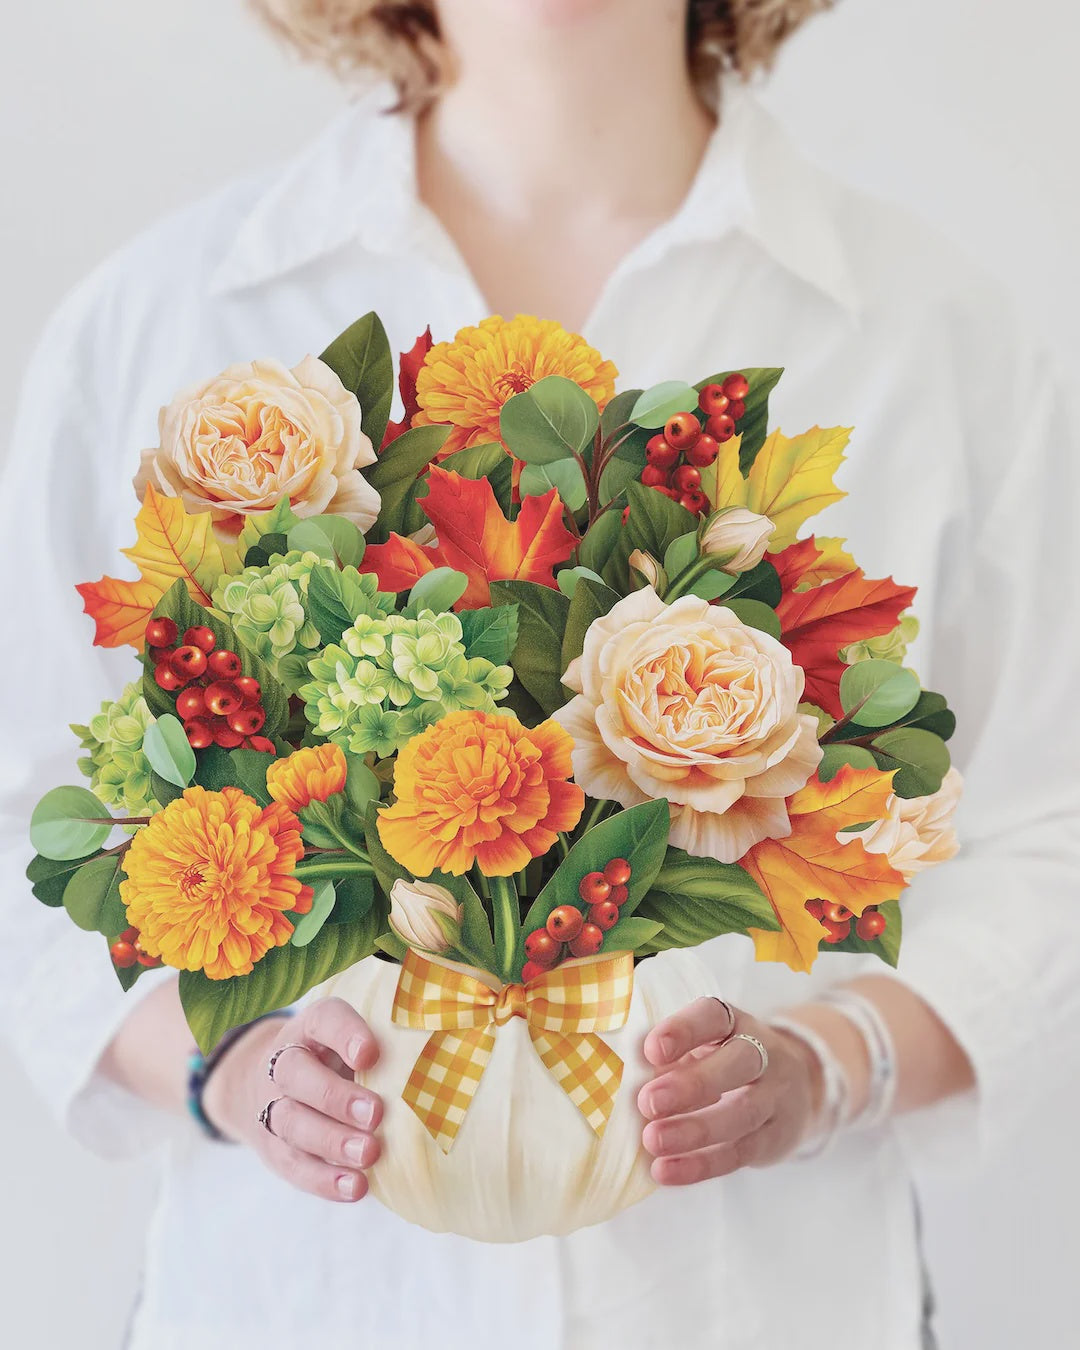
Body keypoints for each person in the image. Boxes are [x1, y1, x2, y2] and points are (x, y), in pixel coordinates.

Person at [2, 2, 1077, 1347]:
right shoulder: (156, 321)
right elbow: (26, 828)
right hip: (300, 1307)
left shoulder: (938, 336)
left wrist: (825, 1064)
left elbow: (1048, 832)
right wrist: (226, 1068)